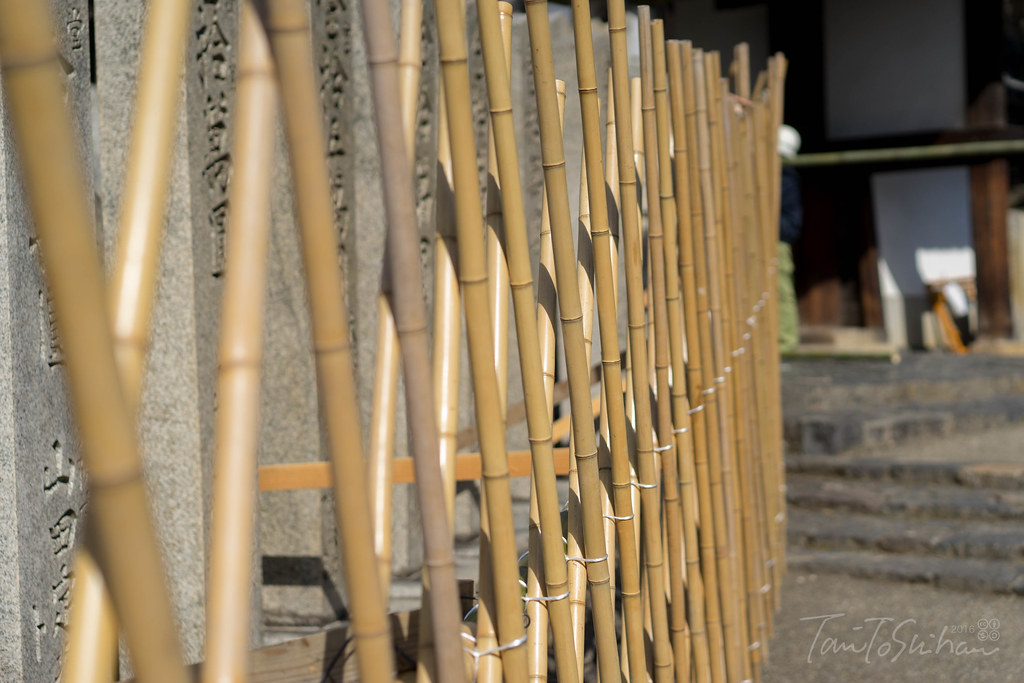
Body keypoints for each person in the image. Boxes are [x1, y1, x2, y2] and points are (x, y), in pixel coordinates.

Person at [777, 124, 802, 353]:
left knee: (781, 291)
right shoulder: (787, 175)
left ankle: (786, 342)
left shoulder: (785, 177)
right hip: (780, 236)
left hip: (779, 239)